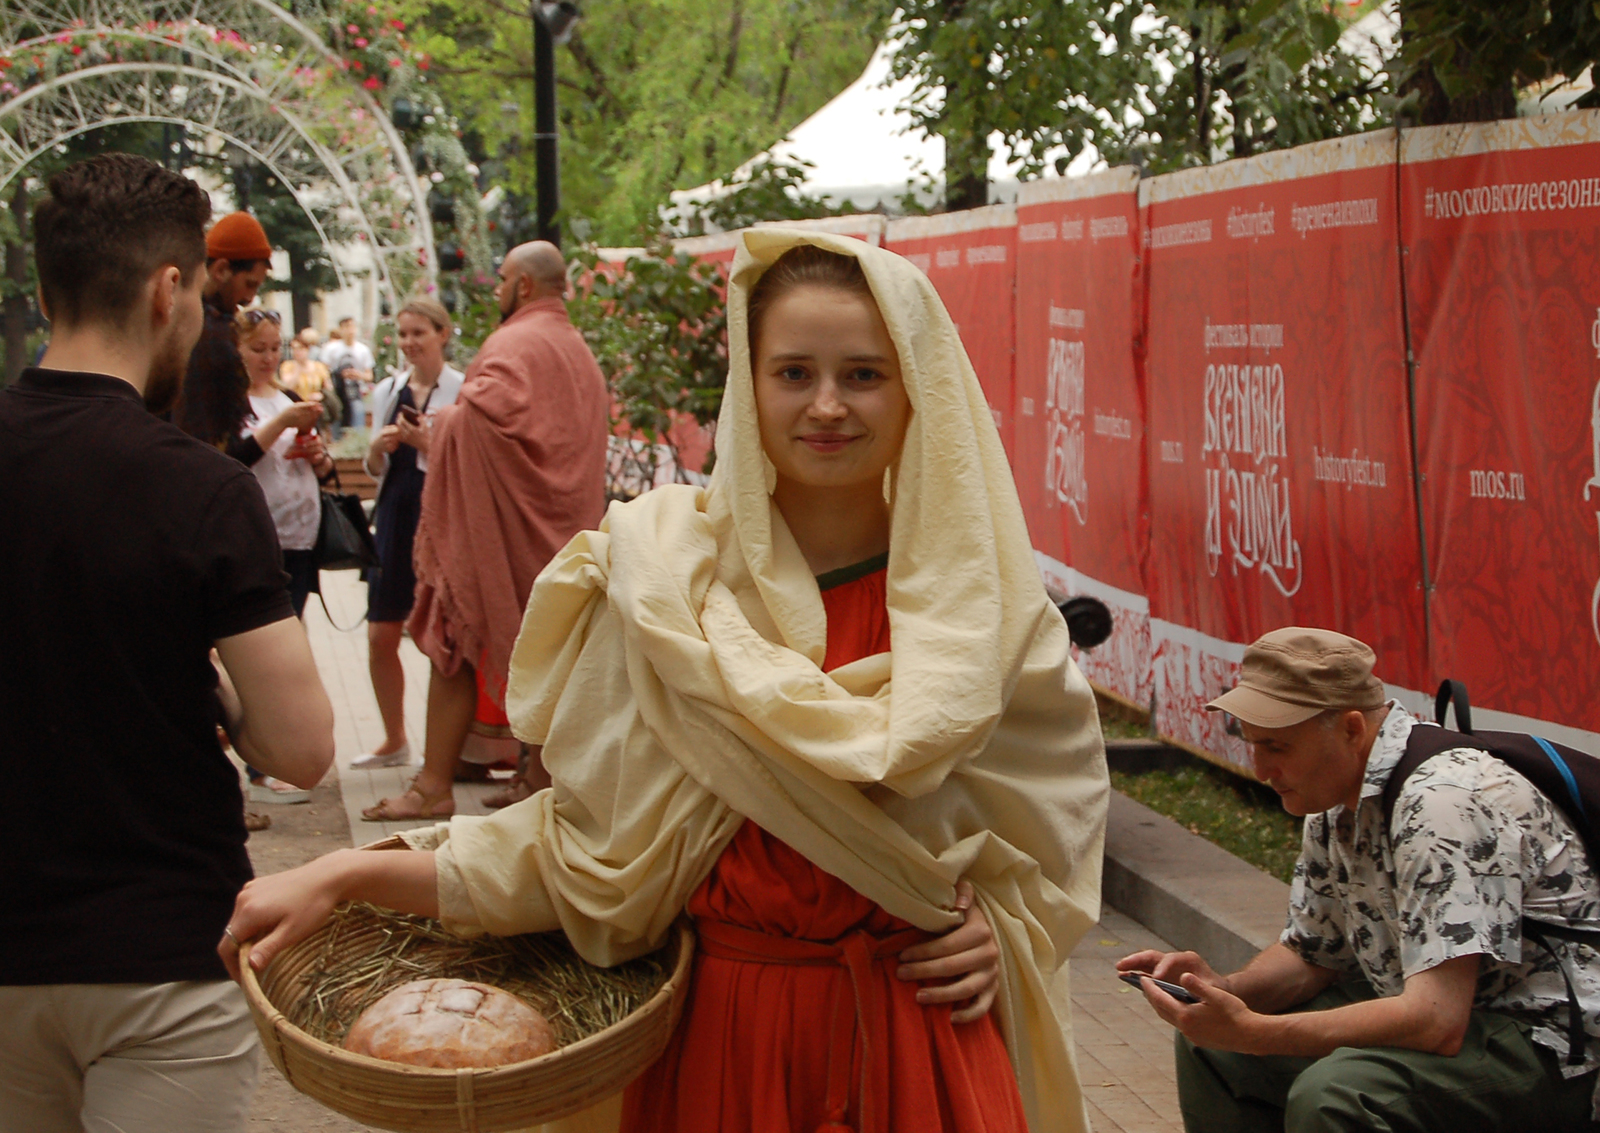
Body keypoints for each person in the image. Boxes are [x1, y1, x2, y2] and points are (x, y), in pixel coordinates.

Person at [222, 231, 1109, 1133]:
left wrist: (1006, 928)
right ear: (748, 386)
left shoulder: (981, 613)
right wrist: (343, 873)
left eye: (866, 374)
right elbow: (581, 858)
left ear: (919, 384)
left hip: (921, 1045)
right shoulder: (666, 581)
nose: (829, 405)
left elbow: (1054, 822)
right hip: (722, 1051)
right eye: (794, 372)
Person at [0, 153, 335, 1133]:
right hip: (163, 953)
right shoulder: (200, 487)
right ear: (168, 288)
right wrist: (213, 686)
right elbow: (302, 748)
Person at [1118, 627, 1600, 1133]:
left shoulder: (1444, 803)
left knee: (1337, 1094)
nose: (1261, 769)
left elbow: (1437, 1020)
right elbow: (1312, 957)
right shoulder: (1332, 795)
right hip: (1448, 1014)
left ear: (1350, 729)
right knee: (1211, 1047)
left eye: (1277, 746)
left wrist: (1256, 1032)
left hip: (1551, 1045)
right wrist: (1223, 992)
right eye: (1252, 743)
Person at [359, 241, 608, 820]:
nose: (496, 290)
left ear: (523, 285)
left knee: (451, 637)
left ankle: (432, 787)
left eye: (500, 280)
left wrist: (436, 431)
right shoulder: (576, 349)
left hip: (506, 535)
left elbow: (481, 421)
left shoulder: (515, 342)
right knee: (556, 653)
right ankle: (539, 782)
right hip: (564, 533)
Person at [350, 298, 464, 771]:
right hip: (395, 514)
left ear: (442, 334)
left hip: (440, 515)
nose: (409, 343)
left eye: (418, 333)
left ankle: (453, 749)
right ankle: (394, 738)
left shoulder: (462, 389)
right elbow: (375, 469)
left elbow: (469, 461)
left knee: (445, 635)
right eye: (403, 335)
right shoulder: (389, 390)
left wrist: (427, 445)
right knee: (382, 631)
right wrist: (378, 448)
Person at [237, 307, 335, 619]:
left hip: (302, 536)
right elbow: (233, 460)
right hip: (256, 539)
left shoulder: (289, 397)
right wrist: (280, 423)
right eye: (258, 349)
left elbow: (323, 471)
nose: (269, 358)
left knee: (294, 620)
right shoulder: (230, 402)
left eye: (276, 348)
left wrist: (317, 455)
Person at [173, 210, 273, 452]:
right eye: (249, 284)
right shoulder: (209, 333)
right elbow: (214, 445)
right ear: (221, 270)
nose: (250, 300)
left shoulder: (176, 315)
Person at [322, 315, 375, 431]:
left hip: (355, 392)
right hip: (337, 390)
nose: (350, 330)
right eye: (346, 327)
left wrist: (358, 375)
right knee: (336, 417)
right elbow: (323, 370)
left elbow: (369, 375)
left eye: (352, 326)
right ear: (341, 329)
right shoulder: (331, 349)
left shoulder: (363, 350)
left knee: (358, 413)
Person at [278, 332, 339, 432]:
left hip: (316, 410)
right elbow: (288, 387)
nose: (297, 352)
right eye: (294, 348)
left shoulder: (319, 366)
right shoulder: (287, 366)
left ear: (307, 349)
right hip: (297, 409)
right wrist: (298, 369)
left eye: (300, 348)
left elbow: (329, 387)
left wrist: (321, 394)